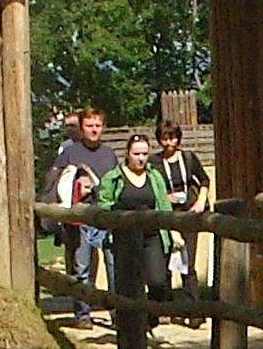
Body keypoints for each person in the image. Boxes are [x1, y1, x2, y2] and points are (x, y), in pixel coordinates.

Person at [48, 108, 117, 328]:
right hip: (80, 218)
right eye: (89, 125)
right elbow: (56, 180)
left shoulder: (109, 154)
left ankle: (117, 312)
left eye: (97, 125)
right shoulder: (70, 153)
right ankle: (83, 314)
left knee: (114, 266)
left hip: (106, 217)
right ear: (82, 128)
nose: (94, 129)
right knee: (81, 268)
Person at [99, 132, 174, 326]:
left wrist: (173, 231)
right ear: (127, 154)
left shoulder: (154, 176)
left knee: (158, 281)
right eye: (136, 154)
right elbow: (103, 204)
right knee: (129, 285)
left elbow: (164, 205)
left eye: (144, 154)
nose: (140, 158)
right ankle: (132, 326)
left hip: (151, 235)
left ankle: (150, 315)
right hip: (125, 237)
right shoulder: (114, 177)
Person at [154, 119, 210, 319]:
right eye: (166, 138)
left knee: (189, 261)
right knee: (167, 262)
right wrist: (164, 198)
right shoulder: (154, 162)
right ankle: (168, 308)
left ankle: (194, 310)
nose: (170, 143)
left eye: (174, 138)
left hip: (189, 213)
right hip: (166, 214)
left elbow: (204, 179)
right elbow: (153, 187)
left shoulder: (188, 158)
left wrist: (201, 201)